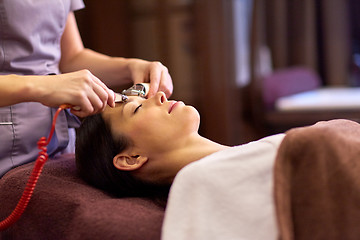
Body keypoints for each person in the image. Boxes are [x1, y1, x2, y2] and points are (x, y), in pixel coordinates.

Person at [75, 92, 285, 239]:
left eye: (144, 97)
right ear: (131, 158)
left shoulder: (255, 153)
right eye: (137, 108)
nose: (159, 96)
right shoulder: (200, 181)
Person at [0, 0, 173, 178]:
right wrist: (42, 86)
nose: (160, 97)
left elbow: (71, 58)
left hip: (59, 146)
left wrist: (130, 67)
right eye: (135, 108)